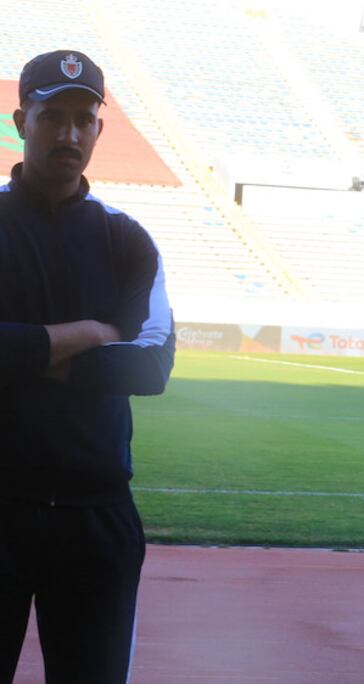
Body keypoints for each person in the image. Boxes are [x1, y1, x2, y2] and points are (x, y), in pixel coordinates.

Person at [0, 50, 174, 682]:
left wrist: (25, 355)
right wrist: (88, 333)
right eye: (52, 117)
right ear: (22, 120)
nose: (69, 134)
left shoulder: (126, 239)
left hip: (96, 519)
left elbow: (150, 364)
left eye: (83, 119)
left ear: (100, 129)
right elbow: (119, 349)